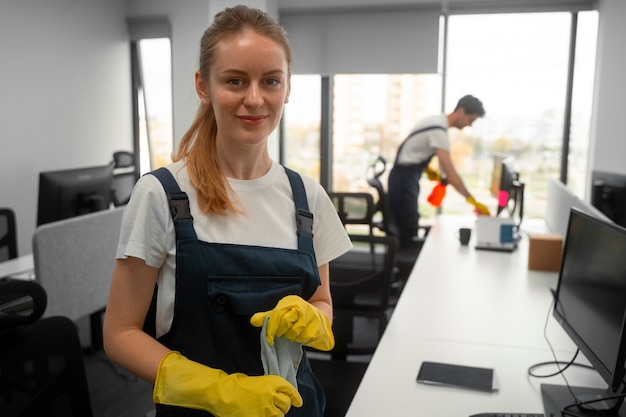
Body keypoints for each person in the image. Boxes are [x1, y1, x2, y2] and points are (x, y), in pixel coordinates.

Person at [102, 5, 352, 417]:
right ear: (204, 85)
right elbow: (120, 333)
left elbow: (323, 303)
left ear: (287, 88)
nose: (254, 99)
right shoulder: (161, 194)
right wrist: (217, 390)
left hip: (294, 407)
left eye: (271, 81)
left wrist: (314, 318)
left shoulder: (308, 197)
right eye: (235, 80)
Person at [387, 95, 491, 249]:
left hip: (402, 175)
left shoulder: (434, 121)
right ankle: (404, 269)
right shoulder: (438, 131)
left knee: (404, 225)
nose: (469, 125)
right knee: (407, 227)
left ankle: (401, 265)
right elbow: (452, 175)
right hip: (404, 179)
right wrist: (473, 201)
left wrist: (434, 174)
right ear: (461, 111)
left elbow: (414, 151)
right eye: (471, 120)